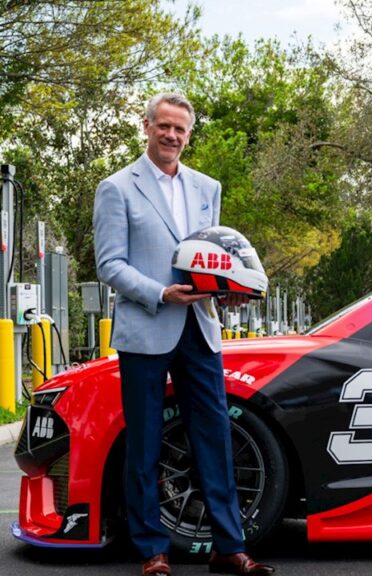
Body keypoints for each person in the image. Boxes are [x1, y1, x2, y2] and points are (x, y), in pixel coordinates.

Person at [94, 93, 275, 576]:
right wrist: (160, 293)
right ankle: (153, 551)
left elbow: (213, 257)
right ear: (147, 126)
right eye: (164, 126)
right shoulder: (115, 188)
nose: (171, 135)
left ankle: (228, 547)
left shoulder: (206, 187)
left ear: (189, 135)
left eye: (180, 129)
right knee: (146, 444)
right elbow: (109, 264)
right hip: (147, 328)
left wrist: (229, 292)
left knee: (215, 437)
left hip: (200, 330)